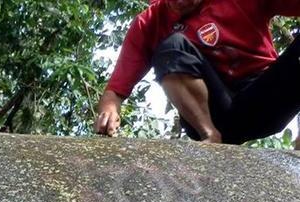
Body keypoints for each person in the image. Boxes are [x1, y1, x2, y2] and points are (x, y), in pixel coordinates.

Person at [95, 0, 300, 144]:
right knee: (172, 46)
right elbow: (114, 92)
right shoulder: (148, 23)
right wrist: (109, 112)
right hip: (212, 114)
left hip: (263, 100)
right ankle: (210, 137)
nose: (180, 2)